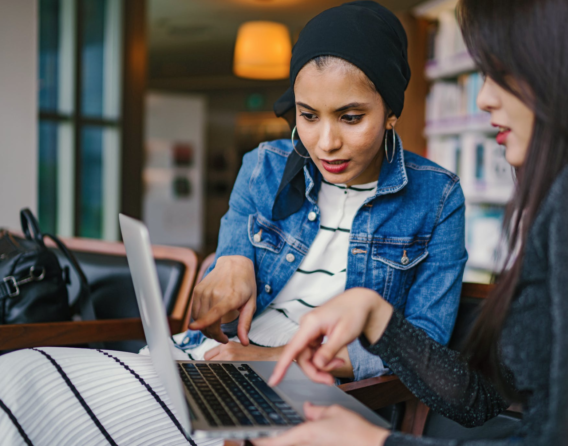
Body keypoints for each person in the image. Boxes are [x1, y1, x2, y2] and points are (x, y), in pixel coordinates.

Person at [0, 3, 468, 445]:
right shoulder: (264, 165)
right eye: (307, 116)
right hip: (213, 362)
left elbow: (422, 352)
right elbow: (222, 285)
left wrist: (272, 360)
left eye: (350, 117)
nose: (326, 142)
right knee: (18, 375)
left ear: (391, 112)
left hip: (317, 392)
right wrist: (230, 262)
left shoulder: (437, 197)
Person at [257, 0, 568, 445]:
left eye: (500, 71)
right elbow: (481, 402)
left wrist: (373, 442)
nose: (484, 98)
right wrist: (378, 320)